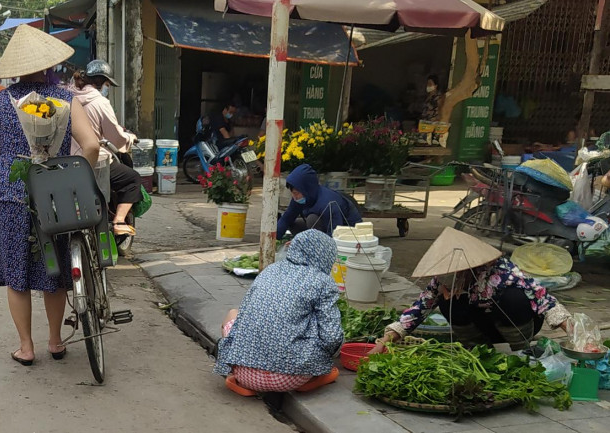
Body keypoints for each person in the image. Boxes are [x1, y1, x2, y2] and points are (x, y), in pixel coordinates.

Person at [0, 24, 100, 366]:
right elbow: (91, 145)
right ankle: (55, 341)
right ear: (49, 65)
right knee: (55, 270)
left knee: (17, 272)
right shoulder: (65, 98)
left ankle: (26, 347)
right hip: (55, 194)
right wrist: (75, 177)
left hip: (9, 193)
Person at [370, 228, 571, 354]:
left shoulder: (501, 272)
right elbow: (419, 309)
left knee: (513, 297)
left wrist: (576, 335)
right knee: (447, 301)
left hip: (516, 323)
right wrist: (385, 341)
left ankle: (521, 351)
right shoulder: (442, 279)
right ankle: (477, 350)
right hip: (485, 329)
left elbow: (546, 301)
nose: (447, 283)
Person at [214, 229, 343, 393]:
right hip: (289, 379)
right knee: (322, 337)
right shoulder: (323, 282)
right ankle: (308, 382)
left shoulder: (270, 270)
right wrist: (327, 358)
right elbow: (332, 337)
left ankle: (239, 383)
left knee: (233, 313)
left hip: (244, 373)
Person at [69, 59, 141, 236]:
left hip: (66, 161)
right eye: (107, 84)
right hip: (94, 160)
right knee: (133, 179)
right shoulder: (100, 103)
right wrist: (129, 139)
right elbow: (116, 138)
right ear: (101, 82)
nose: (107, 88)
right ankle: (119, 221)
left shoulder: (68, 97)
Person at [277, 164, 362, 238]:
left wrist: (307, 244)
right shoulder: (300, 197)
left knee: (312, 219)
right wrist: (273, 237)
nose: (294, 197)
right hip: (321, 227)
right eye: (292, 193)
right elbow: (286, 218)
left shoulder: (329, 203)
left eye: (296, 193)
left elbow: (334, 233)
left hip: (347, 232)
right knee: (292, 223)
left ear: (307, 189)